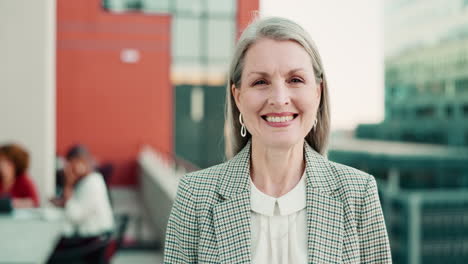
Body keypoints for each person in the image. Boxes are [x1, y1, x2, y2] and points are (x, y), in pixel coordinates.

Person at [164, 17, 392, 263]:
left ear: (318, 92)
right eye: (260, 82)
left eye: (295, 80)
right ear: (238, 97)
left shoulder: (358, 193)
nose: (280, 98)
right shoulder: (194, 197)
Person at [50, 144, 114, 238]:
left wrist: (68, 183)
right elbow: (77, 205)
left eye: (71, 164)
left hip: (93, 238)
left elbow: (73, 216)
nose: (68, 169)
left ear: (82, 162)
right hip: (90, 236)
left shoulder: (92, 183)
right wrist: (62, 202)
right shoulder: (86, 181)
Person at [0, 143, 39, 208]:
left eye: (6, 162)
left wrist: (10, 203)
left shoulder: (24, 180)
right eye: (1, 161)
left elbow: (34, 202)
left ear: (16, 164)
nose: (2, 165)